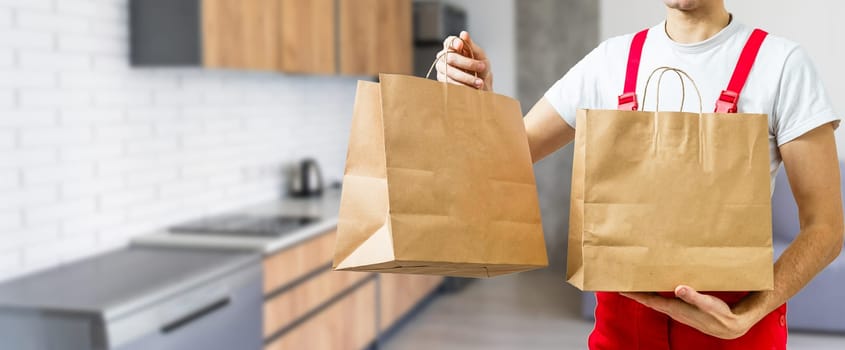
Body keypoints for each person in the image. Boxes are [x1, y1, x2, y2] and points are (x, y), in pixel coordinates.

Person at [435, 0, 843, 349]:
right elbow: (504, 160)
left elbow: (826, 227)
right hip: (622, 330)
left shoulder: (782, 65)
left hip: (736, 328)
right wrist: (478, 100)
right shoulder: (608, 63)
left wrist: (747, 314)